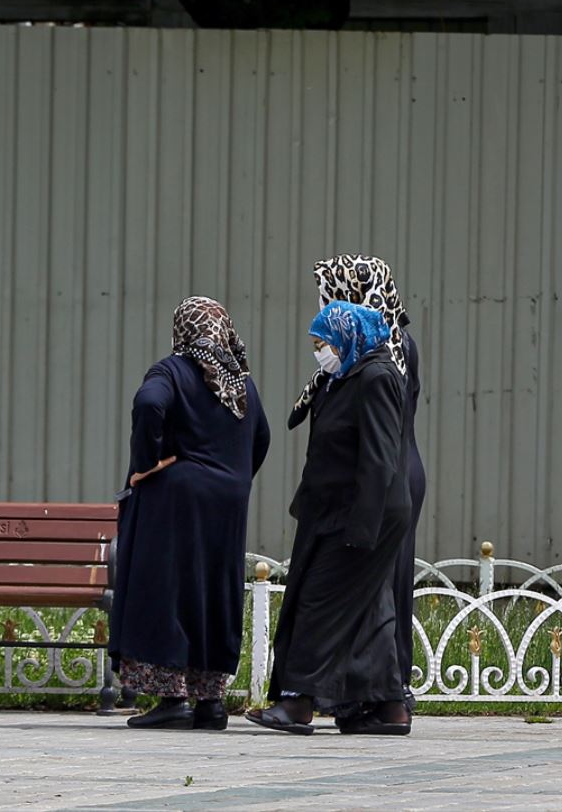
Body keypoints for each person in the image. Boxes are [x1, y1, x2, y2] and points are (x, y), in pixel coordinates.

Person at [248, 300, 411, 736]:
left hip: (359, 513)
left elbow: (379, 459)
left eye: (323, 343)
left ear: (346, 336)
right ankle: (387, 707)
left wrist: (363, 527)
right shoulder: (345, 376)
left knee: (318, 601)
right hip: (333, 510)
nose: (320, 351)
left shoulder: (376, 377)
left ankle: (298, 702)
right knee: (368, 607)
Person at [108, 296, 271, 730]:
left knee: (168, 591)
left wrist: (147, 463)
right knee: (213, 592)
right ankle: (210, 703)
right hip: (228, 505)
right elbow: (263, 436)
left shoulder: (172, 371)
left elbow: (149, 405)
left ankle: (172, 697)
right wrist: (234, 478)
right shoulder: (241, 382)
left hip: (176, 505)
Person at [289, 254, 426, 714]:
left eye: (333, 292)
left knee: (366, 585)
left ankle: (368, 691)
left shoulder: (383, 353)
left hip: (379, 480)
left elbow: (379, 440)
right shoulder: (353, 354)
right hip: (372, 476)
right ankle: (369, 696)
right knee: (366, 593)